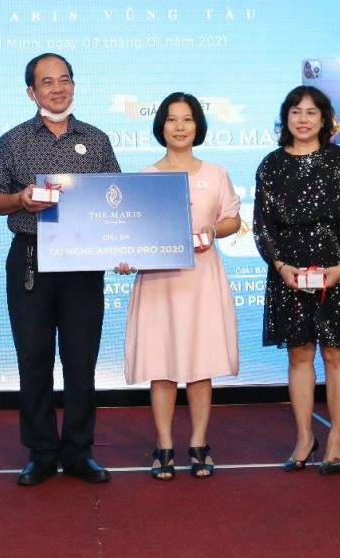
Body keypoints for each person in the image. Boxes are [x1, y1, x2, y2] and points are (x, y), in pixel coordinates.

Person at [0, 53, 121, 486]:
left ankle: (78, 452)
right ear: (31, 92)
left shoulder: (96, 139)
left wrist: (125, 245)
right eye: (47, 82)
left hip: (84, 263)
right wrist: (20, 199)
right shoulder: (14, 140)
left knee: (81, 361)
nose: (57, 88)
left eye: (64, 80)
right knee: (33, 360)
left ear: (74, 85)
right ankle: (41, 452)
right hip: (31, 259)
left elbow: (118, 198)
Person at [117, 92, 241, 480]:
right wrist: (126, 256)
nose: (180, 127)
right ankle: (165, 446)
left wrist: (212, 229)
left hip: (201, 278)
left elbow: (232, 219)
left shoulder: (216, 173)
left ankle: (199, 443)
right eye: (172, 119)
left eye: (187, 119)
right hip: (160, 279)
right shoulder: (146, 177)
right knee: (163, 365)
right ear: (161, 126)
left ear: (198, 126)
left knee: (202, 365)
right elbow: (132, 232)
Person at [252, 86, 340, 476]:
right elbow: (262, 226)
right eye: (295, 112)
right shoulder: (271, 165)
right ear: (285, 118)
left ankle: (336, 436)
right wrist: (281, 266)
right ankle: (304, 437)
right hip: (288, 272)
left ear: (324, 119)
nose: (303, 119)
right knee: (299, 355)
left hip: (336, 269)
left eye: (311, 112)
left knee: (335, 353)